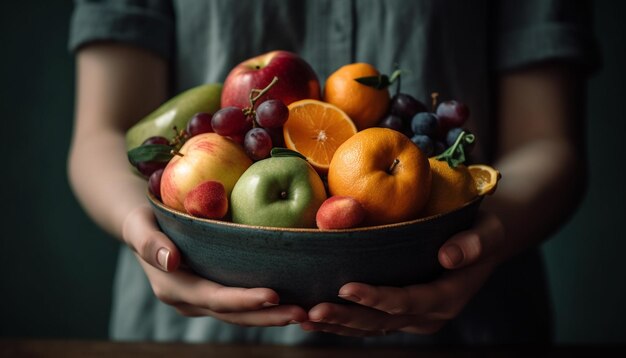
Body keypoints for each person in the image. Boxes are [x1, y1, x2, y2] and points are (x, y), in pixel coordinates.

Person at [67, 0, 600, 345]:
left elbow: (549, 143)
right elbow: (102, 135)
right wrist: (141, 229)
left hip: (466, 324)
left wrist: (491, 238)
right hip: (193, 331)